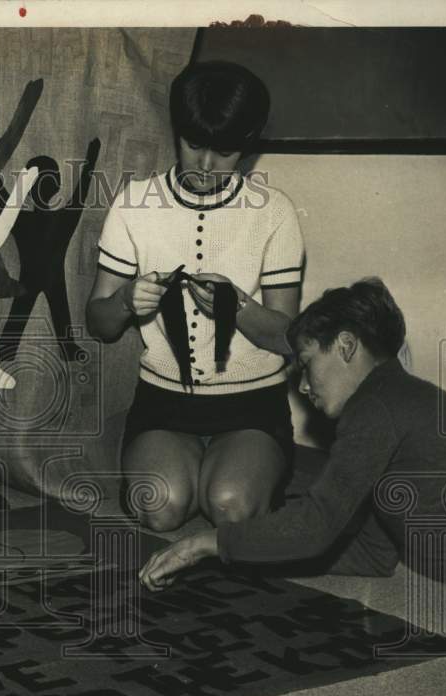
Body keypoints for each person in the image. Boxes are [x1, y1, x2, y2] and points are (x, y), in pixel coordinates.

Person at [139, 279, 446, 696]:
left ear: (346, 346)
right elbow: (374, 554)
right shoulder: (395, 398)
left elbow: (316, 527)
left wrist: (203, 544)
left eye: (306, 365)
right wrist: (252, 552)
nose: (304, 387)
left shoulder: (376, 408)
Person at [86, 60, 304, 532]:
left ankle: (251, 470)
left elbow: (288, 338)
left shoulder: (275, 212)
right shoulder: (133, 205)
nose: (206, 166)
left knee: (230, 505)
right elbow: (98, 323)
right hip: (163, 403)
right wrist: (125, 301)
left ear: (248, 146)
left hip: (252, 405)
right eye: (194, 145)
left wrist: (239, 308)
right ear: (176, 132)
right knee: (159, 507)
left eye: (225, 152)